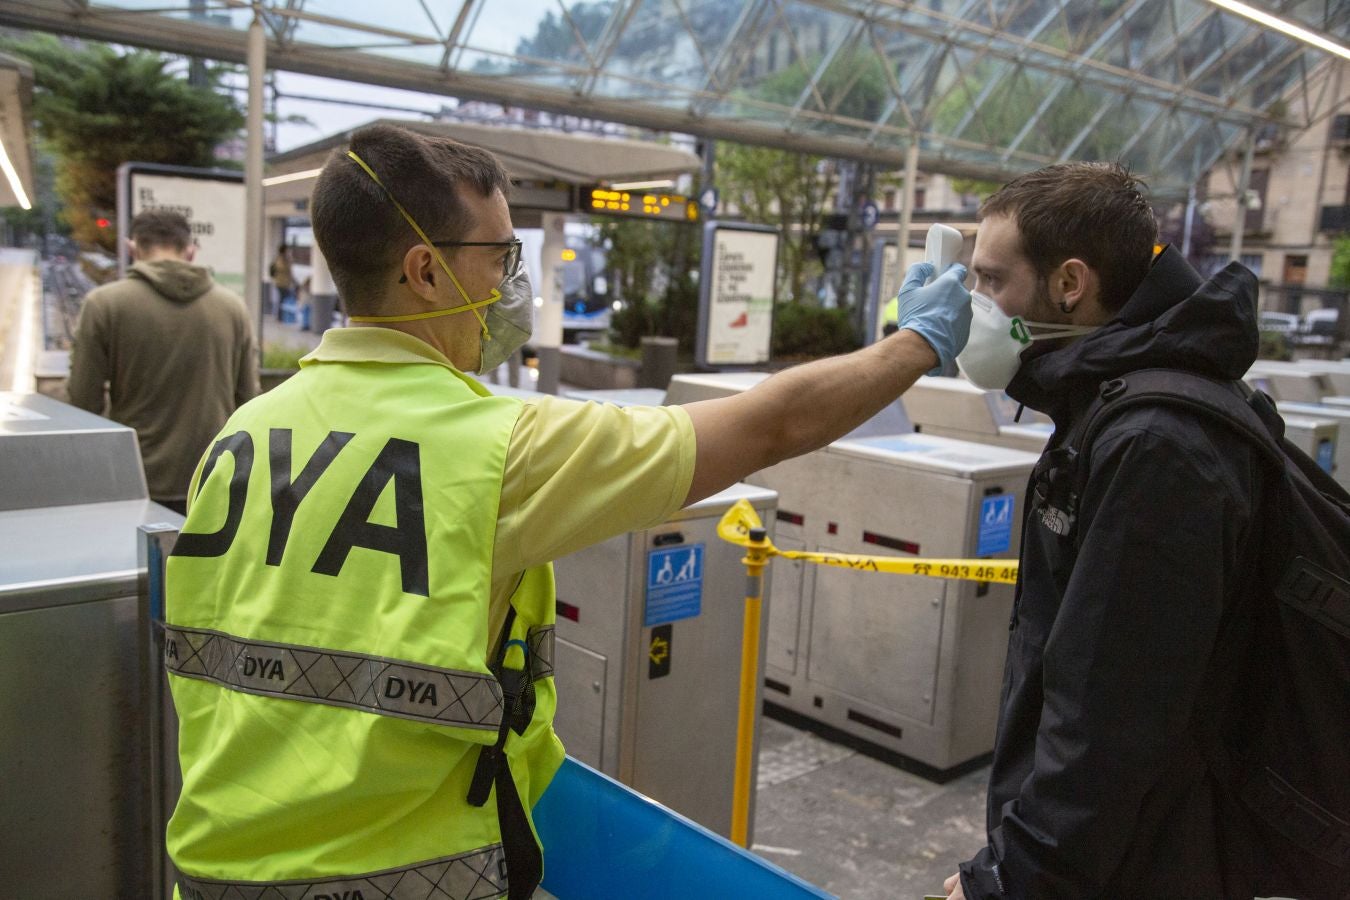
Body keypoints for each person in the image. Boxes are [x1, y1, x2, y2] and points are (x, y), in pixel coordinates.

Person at [162, 123, 973, 900]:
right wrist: (916, 342)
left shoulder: (242, 436)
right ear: (426, 271)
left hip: (211, 875)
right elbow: (772, 425)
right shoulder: (499, 448)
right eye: (500, 257)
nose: (511, 285)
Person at [943, 163, 1278, 898]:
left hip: (1142, 862)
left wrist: (1012, 877)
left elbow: (1112, 714)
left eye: (992, 280)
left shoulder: (1155, 442)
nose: (977, 303)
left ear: (1070, 283)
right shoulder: (1114, 399)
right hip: (1120, 852)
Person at [68, 209, 259, 514]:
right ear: (191, 252)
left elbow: (83, 400)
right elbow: (249, 399)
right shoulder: (233, 308)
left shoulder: (104, 305)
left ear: (132, 249)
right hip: (212, 477)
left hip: (135, 478)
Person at [270, 242, 294, 320]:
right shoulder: (281, 259)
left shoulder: (283, 259)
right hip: (281, 283)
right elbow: (284, 269)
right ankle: (281, 316)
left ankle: (282, 316)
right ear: (284, 250)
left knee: (283, 299)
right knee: (283, 299)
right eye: (287, 250)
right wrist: (289, 261)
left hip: (284, 283)